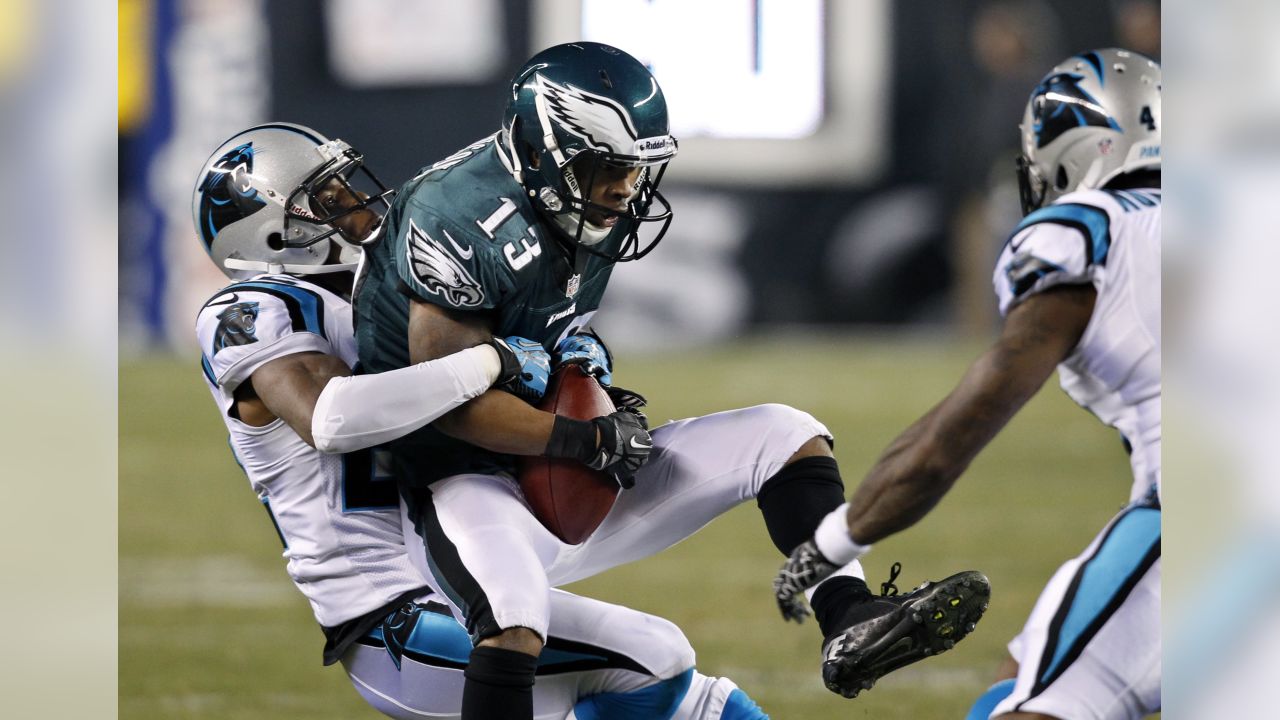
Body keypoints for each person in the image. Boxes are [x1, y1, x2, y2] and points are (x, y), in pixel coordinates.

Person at [352, 41, 991, 720]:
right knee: (514, 611)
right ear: (539, 153)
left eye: (635, 169)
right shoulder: (453, 215)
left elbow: (547, 332)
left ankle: (849, 615)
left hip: (556, 464)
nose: (626, 189)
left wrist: (582, 366)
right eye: (606, 168)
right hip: (455, 486)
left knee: (786, 434)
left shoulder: (576, 202)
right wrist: (585, 437)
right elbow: (450, 402)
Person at [192, 122, 767, 720]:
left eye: (345, 185)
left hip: (462, 559)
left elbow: (509, 363)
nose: (359, 204)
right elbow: (330, 417)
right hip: (390, 607)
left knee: (686, 694)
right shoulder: (251, 310)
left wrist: (573, 355)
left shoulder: (385, 288)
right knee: (655, 657)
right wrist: (492, 358)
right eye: (328, 200)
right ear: (271, 236)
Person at [773, 48, 1161, 718]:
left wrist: (832, 544)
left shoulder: (1084, 230)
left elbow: (961, 429)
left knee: (1033, 708)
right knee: (1023, 672)